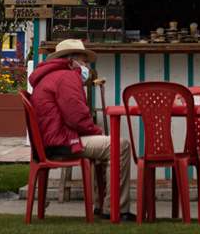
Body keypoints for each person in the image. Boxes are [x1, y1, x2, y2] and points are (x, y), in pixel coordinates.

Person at [29, 39, 134, 221]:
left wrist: (92, 130)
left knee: (105, 146)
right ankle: (116, 209)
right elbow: (76, 117)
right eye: (84, 61)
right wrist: (95, 130)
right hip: (62, 141)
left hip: (50, 141)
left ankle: (103, 205)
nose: (87, 66)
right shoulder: (67, 76)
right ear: (71, 60)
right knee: (119, 145)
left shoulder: (51, 76)